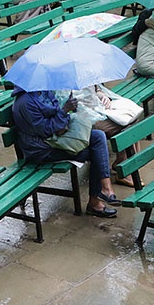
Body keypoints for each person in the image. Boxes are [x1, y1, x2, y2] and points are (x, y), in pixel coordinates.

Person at [12, 88, 118, 217]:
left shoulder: (43, 91)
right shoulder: (25, 102)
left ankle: (105, 188)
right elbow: (45, 129)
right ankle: (97, 200)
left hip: (56, 138)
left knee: (98, 136)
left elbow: (56, 109)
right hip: (42, 149)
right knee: (95, 152)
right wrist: (64, 112)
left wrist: (67, 111)